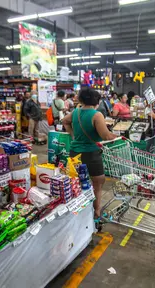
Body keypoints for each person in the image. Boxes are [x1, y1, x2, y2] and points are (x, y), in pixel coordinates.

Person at [63, 88, 117, 222]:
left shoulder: (75, 112)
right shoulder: (96, 115)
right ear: (96, 101)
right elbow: (105, 135)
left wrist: (73, 134)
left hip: (75, 152)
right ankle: (96, 213)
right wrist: (117, 136)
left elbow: (65, 121)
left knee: (77, 184)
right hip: (91, 154)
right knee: (97, 183)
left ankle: (79, 212)